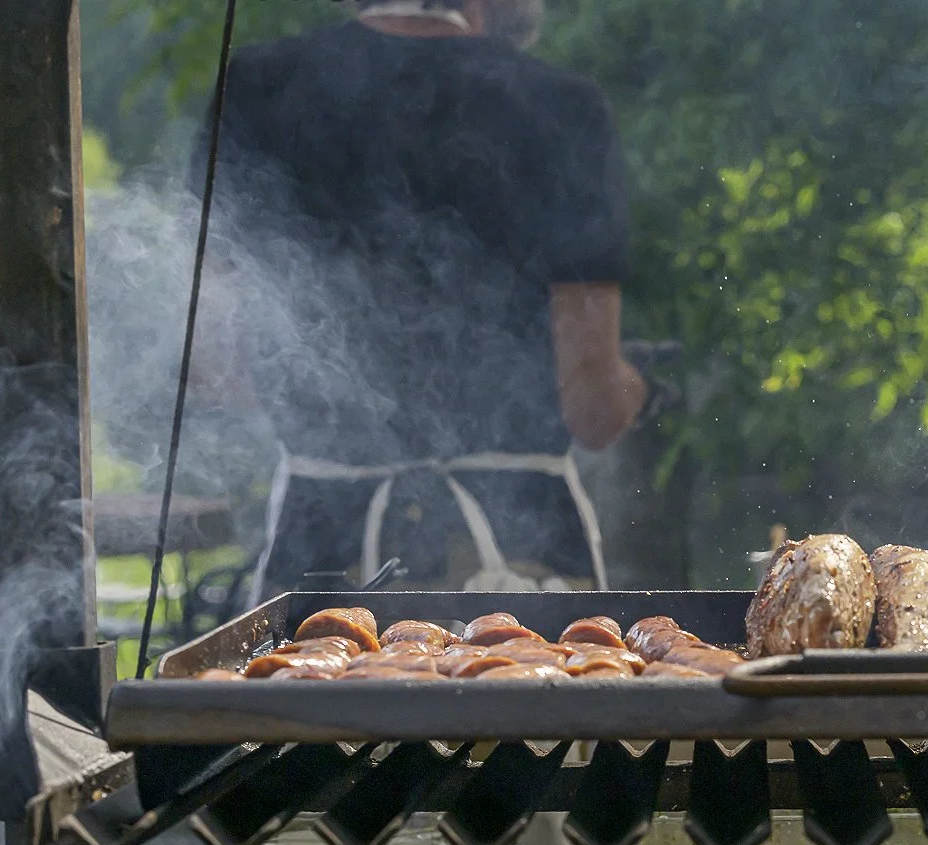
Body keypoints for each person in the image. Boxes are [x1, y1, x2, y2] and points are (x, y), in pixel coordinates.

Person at [202, 0, 647, 596]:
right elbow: (592, 409)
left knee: (315, 661)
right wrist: (636, 388)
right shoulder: (562, 107)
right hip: (522, 566)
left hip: (325, 569)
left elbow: (216, 371)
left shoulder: (259, 88)